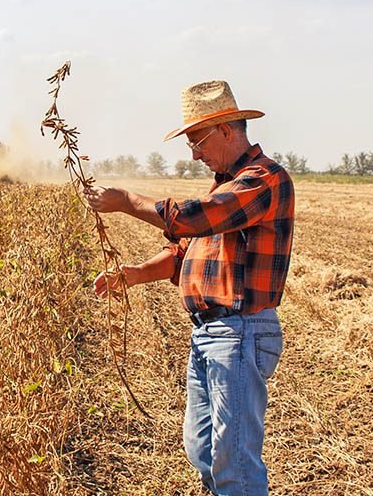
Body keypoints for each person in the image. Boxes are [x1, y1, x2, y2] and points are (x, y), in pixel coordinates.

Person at [83, 80, 294, 495]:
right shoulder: (224, 184)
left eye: (197, 140)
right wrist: (137, 273)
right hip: (211, 333)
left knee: (235, 461)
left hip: (240, 331)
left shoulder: (265, 180)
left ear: (227, 130)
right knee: (203, 451)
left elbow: (191, 220)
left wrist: (127, 200)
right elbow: (185, 251)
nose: (195, 153)